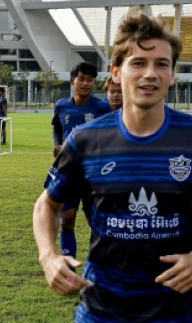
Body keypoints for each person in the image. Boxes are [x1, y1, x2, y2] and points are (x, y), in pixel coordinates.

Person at [33, 11, 192, 322]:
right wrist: (48, 256)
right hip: (101, 307)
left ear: (172, 74)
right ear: (116, 72)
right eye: (138, 63)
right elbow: (46, 204)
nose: (150, 74)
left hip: (175, 308)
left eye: (161, 64)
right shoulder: (85, 139)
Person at [51, 61, 113, 259]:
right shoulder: (61, 106)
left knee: (94, 222)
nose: (86, 83)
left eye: (90, 80)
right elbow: (57, 127)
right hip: (68, 171)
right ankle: (69, 266)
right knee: (67, 220)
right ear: (72, 81)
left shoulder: (102, 107)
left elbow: (113, 134)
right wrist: (57, 144)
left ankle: (101, 264)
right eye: (82, 79)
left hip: (93, 174)